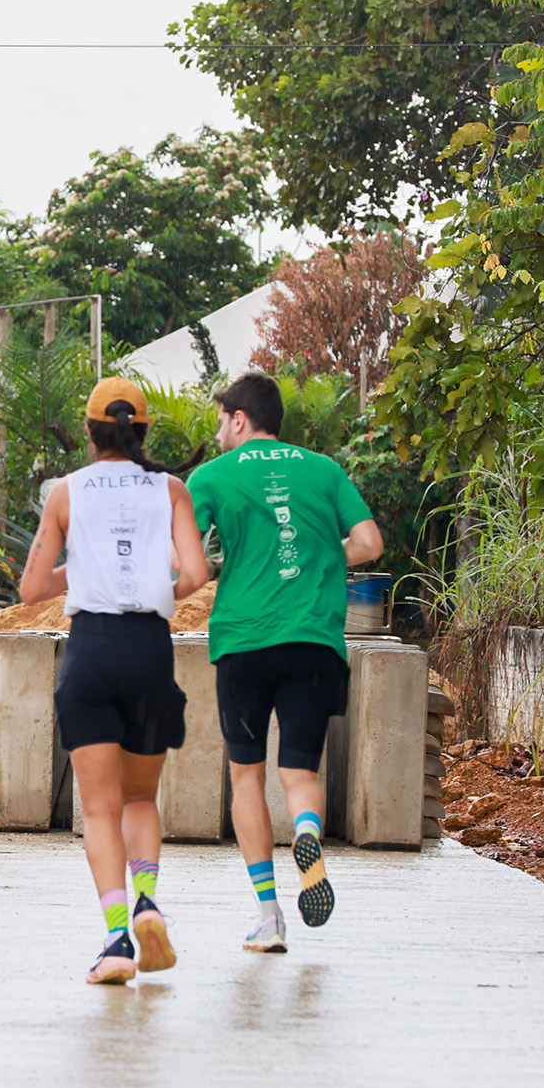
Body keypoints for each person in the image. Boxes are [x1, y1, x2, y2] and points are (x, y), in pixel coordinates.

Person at [20, 378, 210, 985]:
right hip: (149, 651)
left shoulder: (66, 492)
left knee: (100, 809)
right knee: (140, 799)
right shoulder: (171, 489)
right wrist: (155, 584)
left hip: (92, 653)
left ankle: (117, 938)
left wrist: (83, 570)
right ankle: (149, 900)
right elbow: (196, 572)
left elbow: (31, 588)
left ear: (89, 430)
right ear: (143, 429)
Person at [187, 369, 383, 952]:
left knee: (246, 775)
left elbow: (188, 562)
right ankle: (306, 831)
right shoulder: (324, 470)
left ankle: (269, 916)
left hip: (243, 642)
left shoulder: (211, 476)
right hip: (313, 642)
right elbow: (369, 543)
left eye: (221, 421)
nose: (218, 433)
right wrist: (321, 556)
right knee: (300, 773)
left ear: (239, 419)